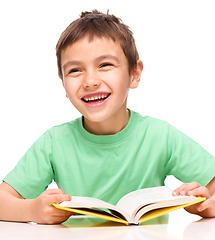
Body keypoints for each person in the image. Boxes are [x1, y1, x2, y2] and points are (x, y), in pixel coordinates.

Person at [0, 10, 214, 225]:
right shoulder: (54, 142)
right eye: (75, 70)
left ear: (134, 74)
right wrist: (31, 211)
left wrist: (203, 203)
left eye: (105, 65)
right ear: (63, 82)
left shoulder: (160, 135)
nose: (90, 81)